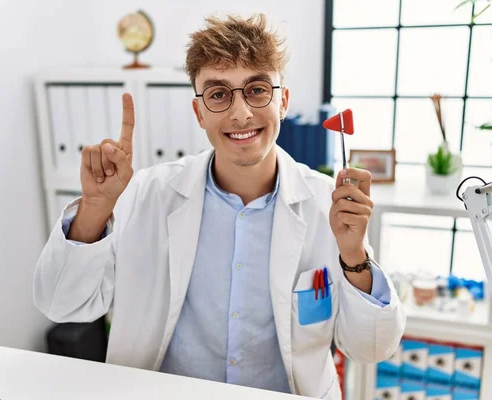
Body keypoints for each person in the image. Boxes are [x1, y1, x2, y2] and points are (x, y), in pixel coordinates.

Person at [33, 13, 405, 399]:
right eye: (218, 94)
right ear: (199, 112)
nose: (240, 113)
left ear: (283, 102)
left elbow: (372, 348)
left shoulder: (328, 205)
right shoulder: (147, 194)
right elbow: (62, 304)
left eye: (257, 89)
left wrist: (353, 256)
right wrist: (95, 206)